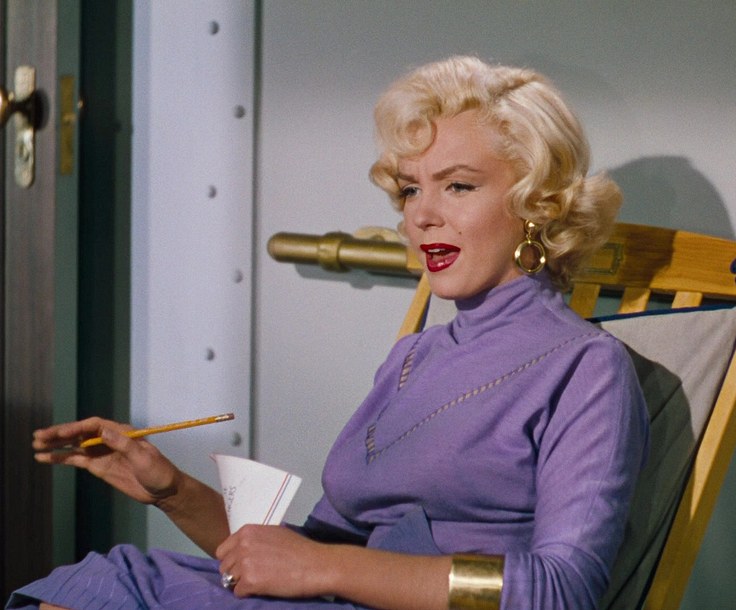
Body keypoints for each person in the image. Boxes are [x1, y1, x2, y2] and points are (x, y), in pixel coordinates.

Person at [8, 56, 648, 610]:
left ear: (537, 204)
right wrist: (174, 492)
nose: (423, 215)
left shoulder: (586, 368)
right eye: (409, 190)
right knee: (112, 580)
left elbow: (563, 591)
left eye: (458, 185)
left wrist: (329, 567)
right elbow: (312, 555)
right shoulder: (415, 357)